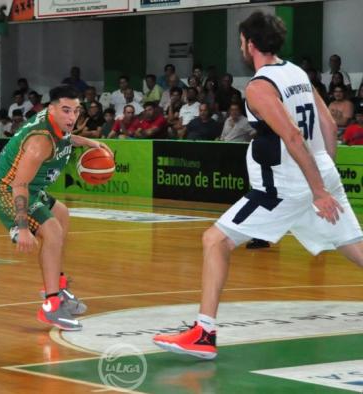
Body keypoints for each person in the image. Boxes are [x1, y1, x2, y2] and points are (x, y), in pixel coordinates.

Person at [153, 11, 363, 360]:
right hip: (317, 170)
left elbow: (293, 137)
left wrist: (317, 190)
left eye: (240, 40)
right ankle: (202, 332)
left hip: (285, 185)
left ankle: (203, 333)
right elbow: (326, 122)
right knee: (354, 246)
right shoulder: (297, 73)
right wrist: (325, 171)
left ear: (249, 44)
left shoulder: (259, 87)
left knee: (214, 240)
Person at [0, 85, 111, 331]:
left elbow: (66, 137)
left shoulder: (58, 124)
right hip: (6, 189)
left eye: (76, 111)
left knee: (61, 214)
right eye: (65, 111)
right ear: (51, 110)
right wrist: (21, 227)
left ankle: (57, 286)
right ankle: (52, 306)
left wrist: (88, 142)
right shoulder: (40, 141)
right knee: (51, 230)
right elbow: (19, 185)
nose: (72, 117)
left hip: (31, 188)